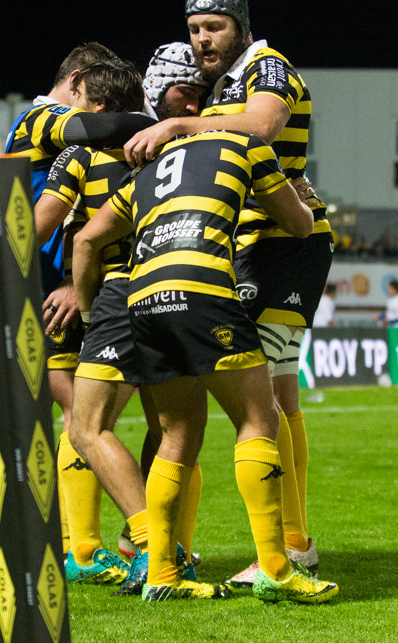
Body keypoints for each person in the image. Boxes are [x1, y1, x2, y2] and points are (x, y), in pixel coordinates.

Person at [125, 0, 332, 583]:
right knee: (277, 392)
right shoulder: (219, 85)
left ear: (240, 25)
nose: (201, 39)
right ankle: (291, 541)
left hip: (287, 242)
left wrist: (177, 129)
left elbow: (262, 127)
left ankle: (290, 546)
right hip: (246, 247)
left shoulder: (268, 67)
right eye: (194, 29)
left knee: (268, 391)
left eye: (213, 26)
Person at [74, 127, 336, 603]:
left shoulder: (147, 172)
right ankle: (277, 571)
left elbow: (87, 239)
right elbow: (300, 227)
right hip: (203, 288)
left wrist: (91, 316)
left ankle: (160, 574)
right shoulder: (248, 146)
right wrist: (300, 197)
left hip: (143, 299)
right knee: (260, 418)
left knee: (178, 433)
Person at [0, 45, 154, 580]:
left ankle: (0, 550)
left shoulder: (56, 140)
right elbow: (99, 132)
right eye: (92, 96)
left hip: (36, 280)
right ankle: (82, 549)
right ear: (75, 83)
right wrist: (161, 124)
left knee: (32, 419)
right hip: (36, 283)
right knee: (78, 417)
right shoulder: (44, 118)